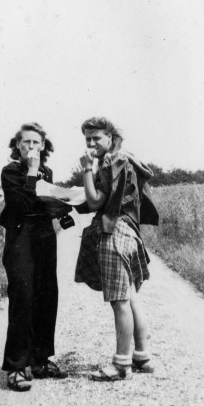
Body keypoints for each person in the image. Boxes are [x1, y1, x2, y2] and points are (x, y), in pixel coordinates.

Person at [74, 116, 159, 381]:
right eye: (87, 139)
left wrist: (86, 169)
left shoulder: (110, 161)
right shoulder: (126, 158)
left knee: (119, 302)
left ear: (110, 137)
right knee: (130, 296)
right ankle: (142, 356)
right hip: (130, 231)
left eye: (96, 138)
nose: (91, 144)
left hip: (114, 232)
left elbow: (95, 201)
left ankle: (122, 365)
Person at [0, 122, 67, 391]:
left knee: (46, 295)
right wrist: (30, 172)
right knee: (23, 296)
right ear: (17, 145)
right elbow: (21, 205)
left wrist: (64, 205)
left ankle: (40, 360)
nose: (31, 146)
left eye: (35, 142)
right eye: (25, 142)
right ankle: (16, 366)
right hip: (20, 236)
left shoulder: (46, 172)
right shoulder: (11, 171)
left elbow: (43, 202)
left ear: (43, 146)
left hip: (44, 236)